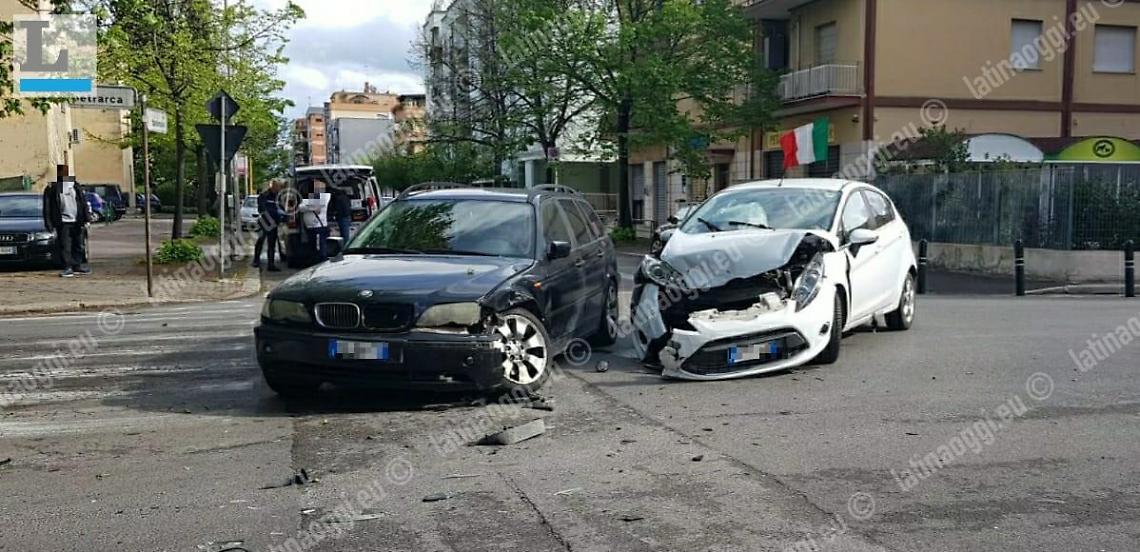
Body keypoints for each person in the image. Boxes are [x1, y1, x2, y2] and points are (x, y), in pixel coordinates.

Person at [43, 174, 92, 278]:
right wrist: (49, 224)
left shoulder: (76, 186)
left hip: (77, 220)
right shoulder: (52, 188)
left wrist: (87, 219)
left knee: (78, 244)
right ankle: (67, 267)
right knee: (65, 245)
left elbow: (83, 202)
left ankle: (77, 265)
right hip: (63, 221)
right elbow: (47, 207)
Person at [252, 180, 285, 271]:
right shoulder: (264, 195)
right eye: (277, 187)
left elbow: (282, 208)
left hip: (274, 223)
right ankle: (256, 261)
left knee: (272, 244)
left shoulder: (279, 196)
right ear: (273, 186)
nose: (278, 189)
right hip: (265, 222)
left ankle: (271, 264)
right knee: (260, 241)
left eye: (279, 187)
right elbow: (261, 209)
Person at [299, 181, 331, 263]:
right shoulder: (312, 197)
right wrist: (311, 206)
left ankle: (320, 264)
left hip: (318, 227)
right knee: (313, 248)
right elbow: (300, 207)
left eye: (318, 187)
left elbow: (316, 205)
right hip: (310, 228)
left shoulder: (325, 196)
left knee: (319, 248)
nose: (316, 188)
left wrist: (308, 206)